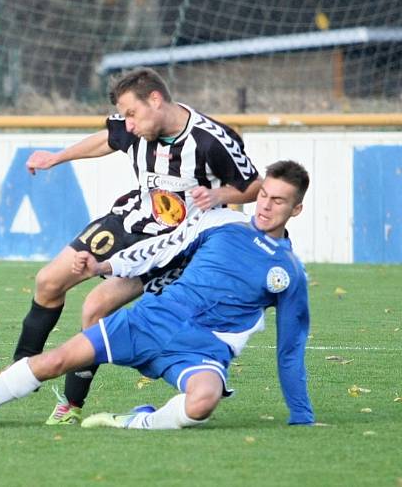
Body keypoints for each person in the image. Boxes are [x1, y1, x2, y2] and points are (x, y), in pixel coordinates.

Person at [0, 160, 313, 430]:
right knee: (58, 358)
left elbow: (290, 348)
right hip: (151, 320)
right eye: (264, 195)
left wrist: (301, 415)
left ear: (296, 209)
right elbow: (159, 249)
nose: (265, 205)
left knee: (203, 401)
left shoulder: (290, 273)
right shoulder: (221, 223)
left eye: (278, 201)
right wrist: (103, 268)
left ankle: (137, 421)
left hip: (202, 351)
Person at [15, 67, 261, 425]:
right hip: (130, 219)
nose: (127, 124)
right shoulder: (133, 125)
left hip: (172, 244)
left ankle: (71, 405)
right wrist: (57, 157)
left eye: (132, 113)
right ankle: (20, 369)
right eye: (124, 115)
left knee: (95, 308)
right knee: (48, 281)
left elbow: (253, 185)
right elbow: (107, 139)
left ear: (156, 100)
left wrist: (219, 194)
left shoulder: (212, 140)